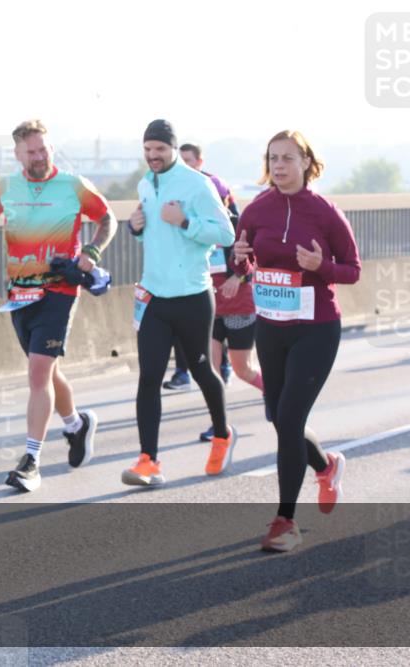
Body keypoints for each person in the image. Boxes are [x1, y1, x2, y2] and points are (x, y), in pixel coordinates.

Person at [232, 130, 360, 552]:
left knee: (288, 419)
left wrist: (322, 265)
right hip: (271, 326)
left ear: (306, 162)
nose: (280, 165)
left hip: (316, 328)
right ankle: (325, 466)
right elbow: (247, 257)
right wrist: (240, 257)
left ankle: (285, 522)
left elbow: (352, 270)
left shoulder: (325, 212)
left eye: (288, 157)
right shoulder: (257, 208)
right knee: (277, 415)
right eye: (274, 158)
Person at [0, 119, 115, 492]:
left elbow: (107, 218)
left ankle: (31, 461)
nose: (38, 157)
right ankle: (77, 425)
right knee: (47, 372)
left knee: (37, 373)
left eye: (43, 149)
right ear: (18, 154)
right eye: (30, 151)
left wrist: (93, 251)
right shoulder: (6, 187)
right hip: (20, 293)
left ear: (52, 149)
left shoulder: (73, 185)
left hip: (60, 290)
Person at [122, 120, 237, 487]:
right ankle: (147, 461)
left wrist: (186, 220)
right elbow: (154, 238)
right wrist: (137, 228)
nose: (153, 156)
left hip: (192, 296)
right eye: (148, 150)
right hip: (155, 297)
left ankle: (222, 434)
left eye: (160, 150)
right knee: (149, 378)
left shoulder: (197, 184)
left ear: (172, 149)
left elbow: (225, 233)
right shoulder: (145, 183)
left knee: (203, 371)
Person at [178, 143, 266, 441]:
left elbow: (253, 262)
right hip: (211, 306)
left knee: (243, 370)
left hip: (240, 306)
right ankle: (218, 425)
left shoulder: (237, 225)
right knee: (211, 370)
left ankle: (276, 396)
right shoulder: (197, 226)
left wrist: (237, 279)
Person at [163, 143, 240, 392]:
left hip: (218, 265)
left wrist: (236, 273)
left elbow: (233, 228)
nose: (185, 165)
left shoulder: (212, 184)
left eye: (189, 160)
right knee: (180, 325)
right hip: (190, 267)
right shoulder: (174, 185)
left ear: (200, 161)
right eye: (181, 160)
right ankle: (182, 371)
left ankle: (223, 366)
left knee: (218, 325)